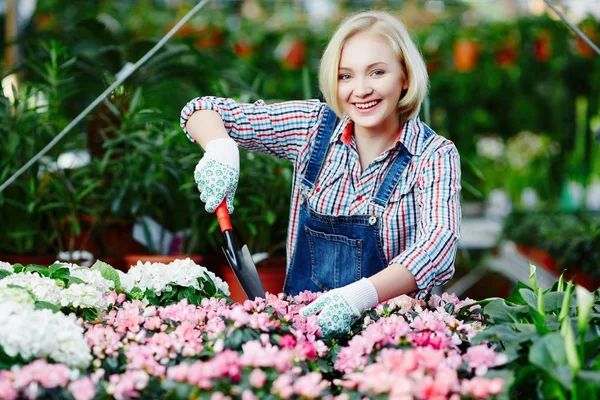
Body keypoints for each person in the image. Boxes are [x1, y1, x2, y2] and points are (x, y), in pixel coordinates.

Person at [180, 10, 461, 337]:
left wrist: (360, 296)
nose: (361, 90)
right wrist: (220, 148)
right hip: (304, 338)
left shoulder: (433, 154)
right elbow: (200, 110)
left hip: (391, 343)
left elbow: (438, 244)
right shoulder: (314, 129)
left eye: (377, 72)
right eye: (346, 76)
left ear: (405, 77)